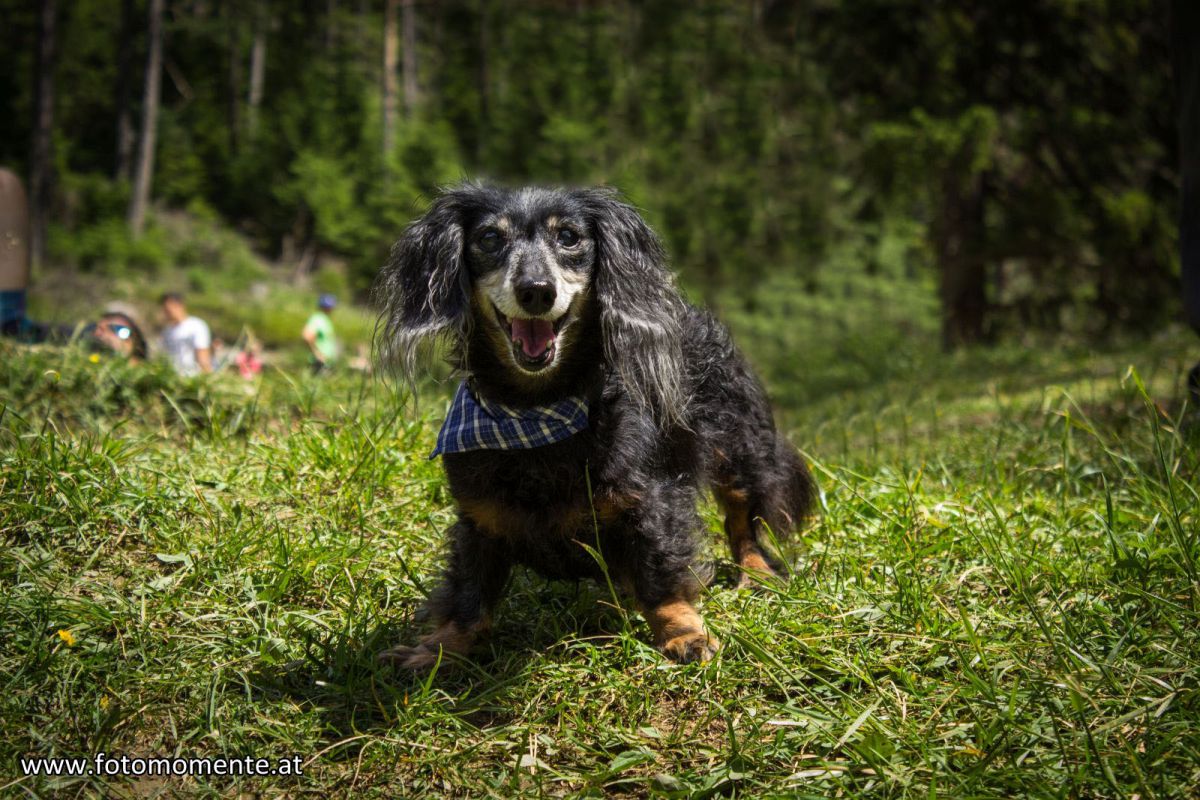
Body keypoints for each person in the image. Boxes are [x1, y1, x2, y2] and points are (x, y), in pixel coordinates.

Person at [160, 292, 212, 375]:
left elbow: (203, 356)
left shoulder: (196, 326)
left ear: (180, 305)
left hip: (192, 379)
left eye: (168, 309)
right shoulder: (167, 331)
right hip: (172, 377)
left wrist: (207, 377)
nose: (167, 313)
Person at [302, 293, 339, 373]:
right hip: (318, 364)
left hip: (326, 363)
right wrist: (317, 354)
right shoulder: (317, 318)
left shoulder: (325, 319)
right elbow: (306, 336)